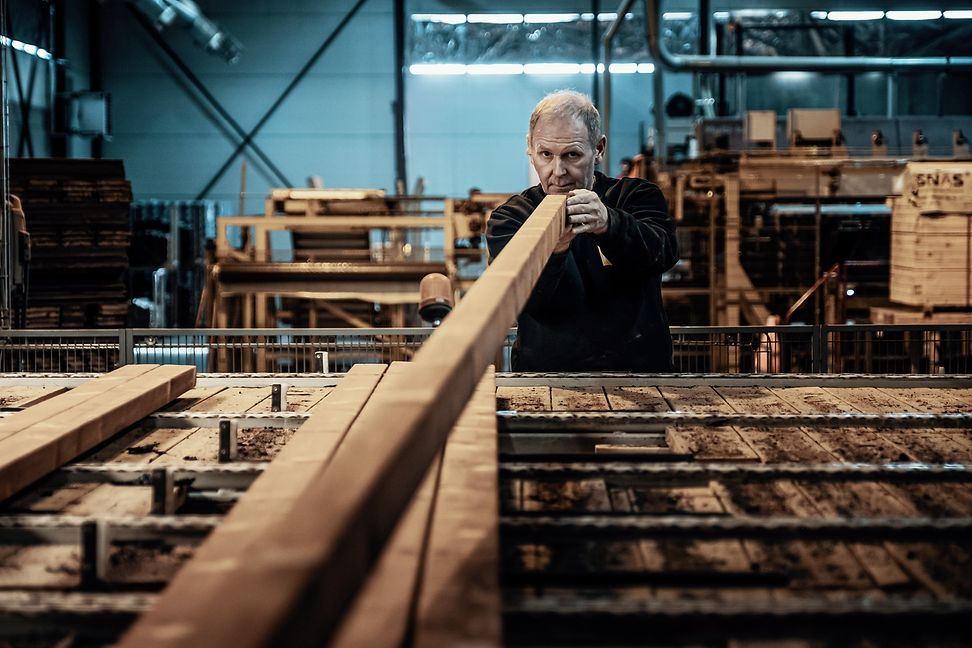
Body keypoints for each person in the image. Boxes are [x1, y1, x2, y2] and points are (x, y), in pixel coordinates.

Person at [486, 90, 678, 372]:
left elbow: (663, 254)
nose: (558, 170)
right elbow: (525, 302)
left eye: (572, 155)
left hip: (640, 377)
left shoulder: (635, 197)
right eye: (545, 154)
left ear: (598, 149)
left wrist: (610, 224)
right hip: (546, 384)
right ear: (530, 148)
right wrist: (555, 250)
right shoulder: (511, 218)